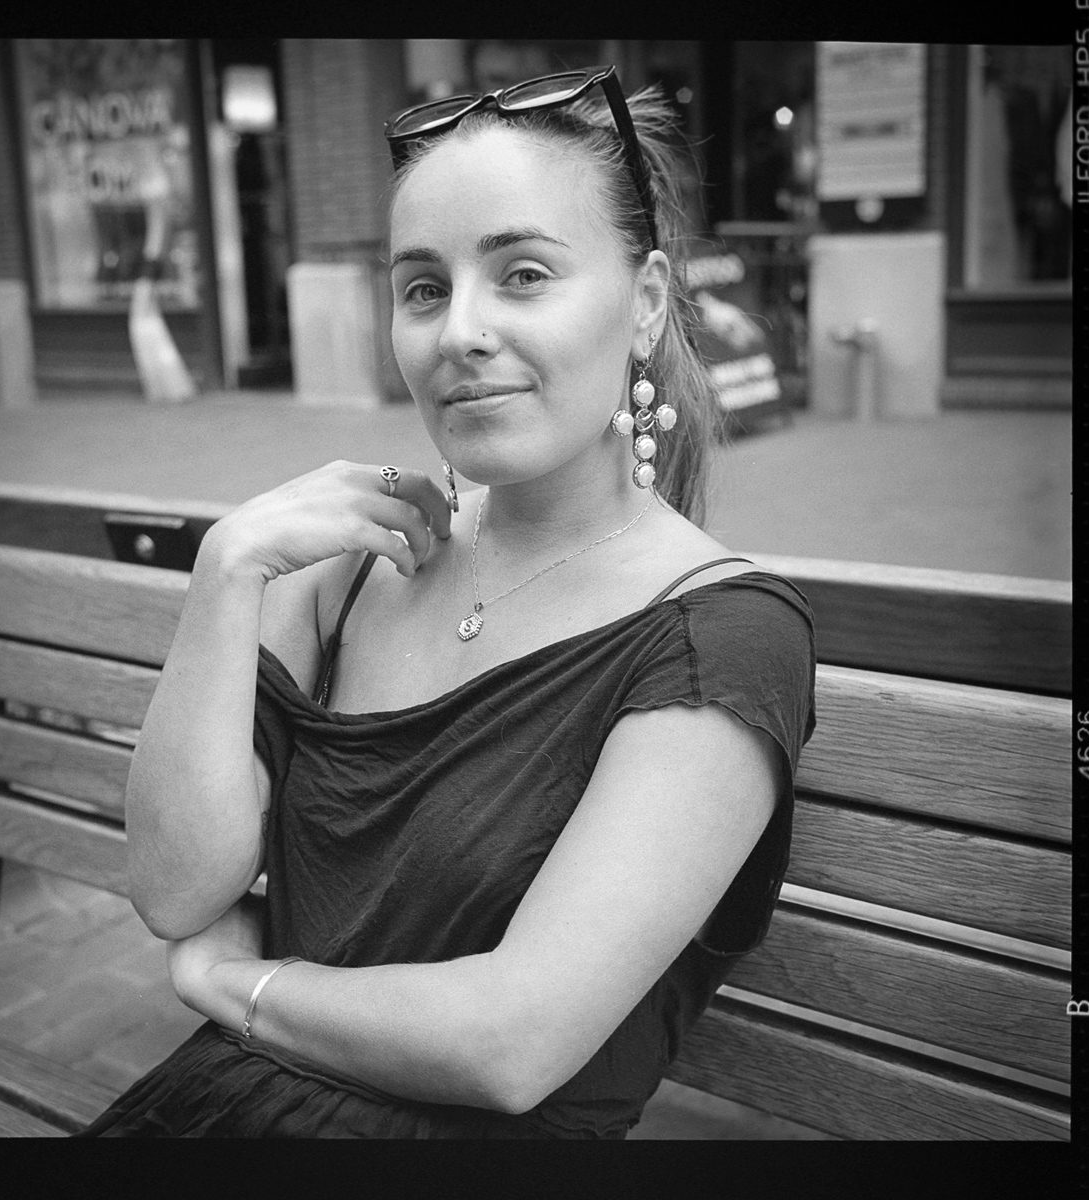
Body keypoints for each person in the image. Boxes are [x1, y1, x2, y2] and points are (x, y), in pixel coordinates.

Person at [79, 65, 816, 1139]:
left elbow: (510, 1045)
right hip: (216, 1109)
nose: (458, 332)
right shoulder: (351, 569)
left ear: (646, 302)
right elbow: (175, 892)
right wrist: (226, 572)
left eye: (522, 274)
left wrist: (237, 988)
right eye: (422, 288)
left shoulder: (722, 635)